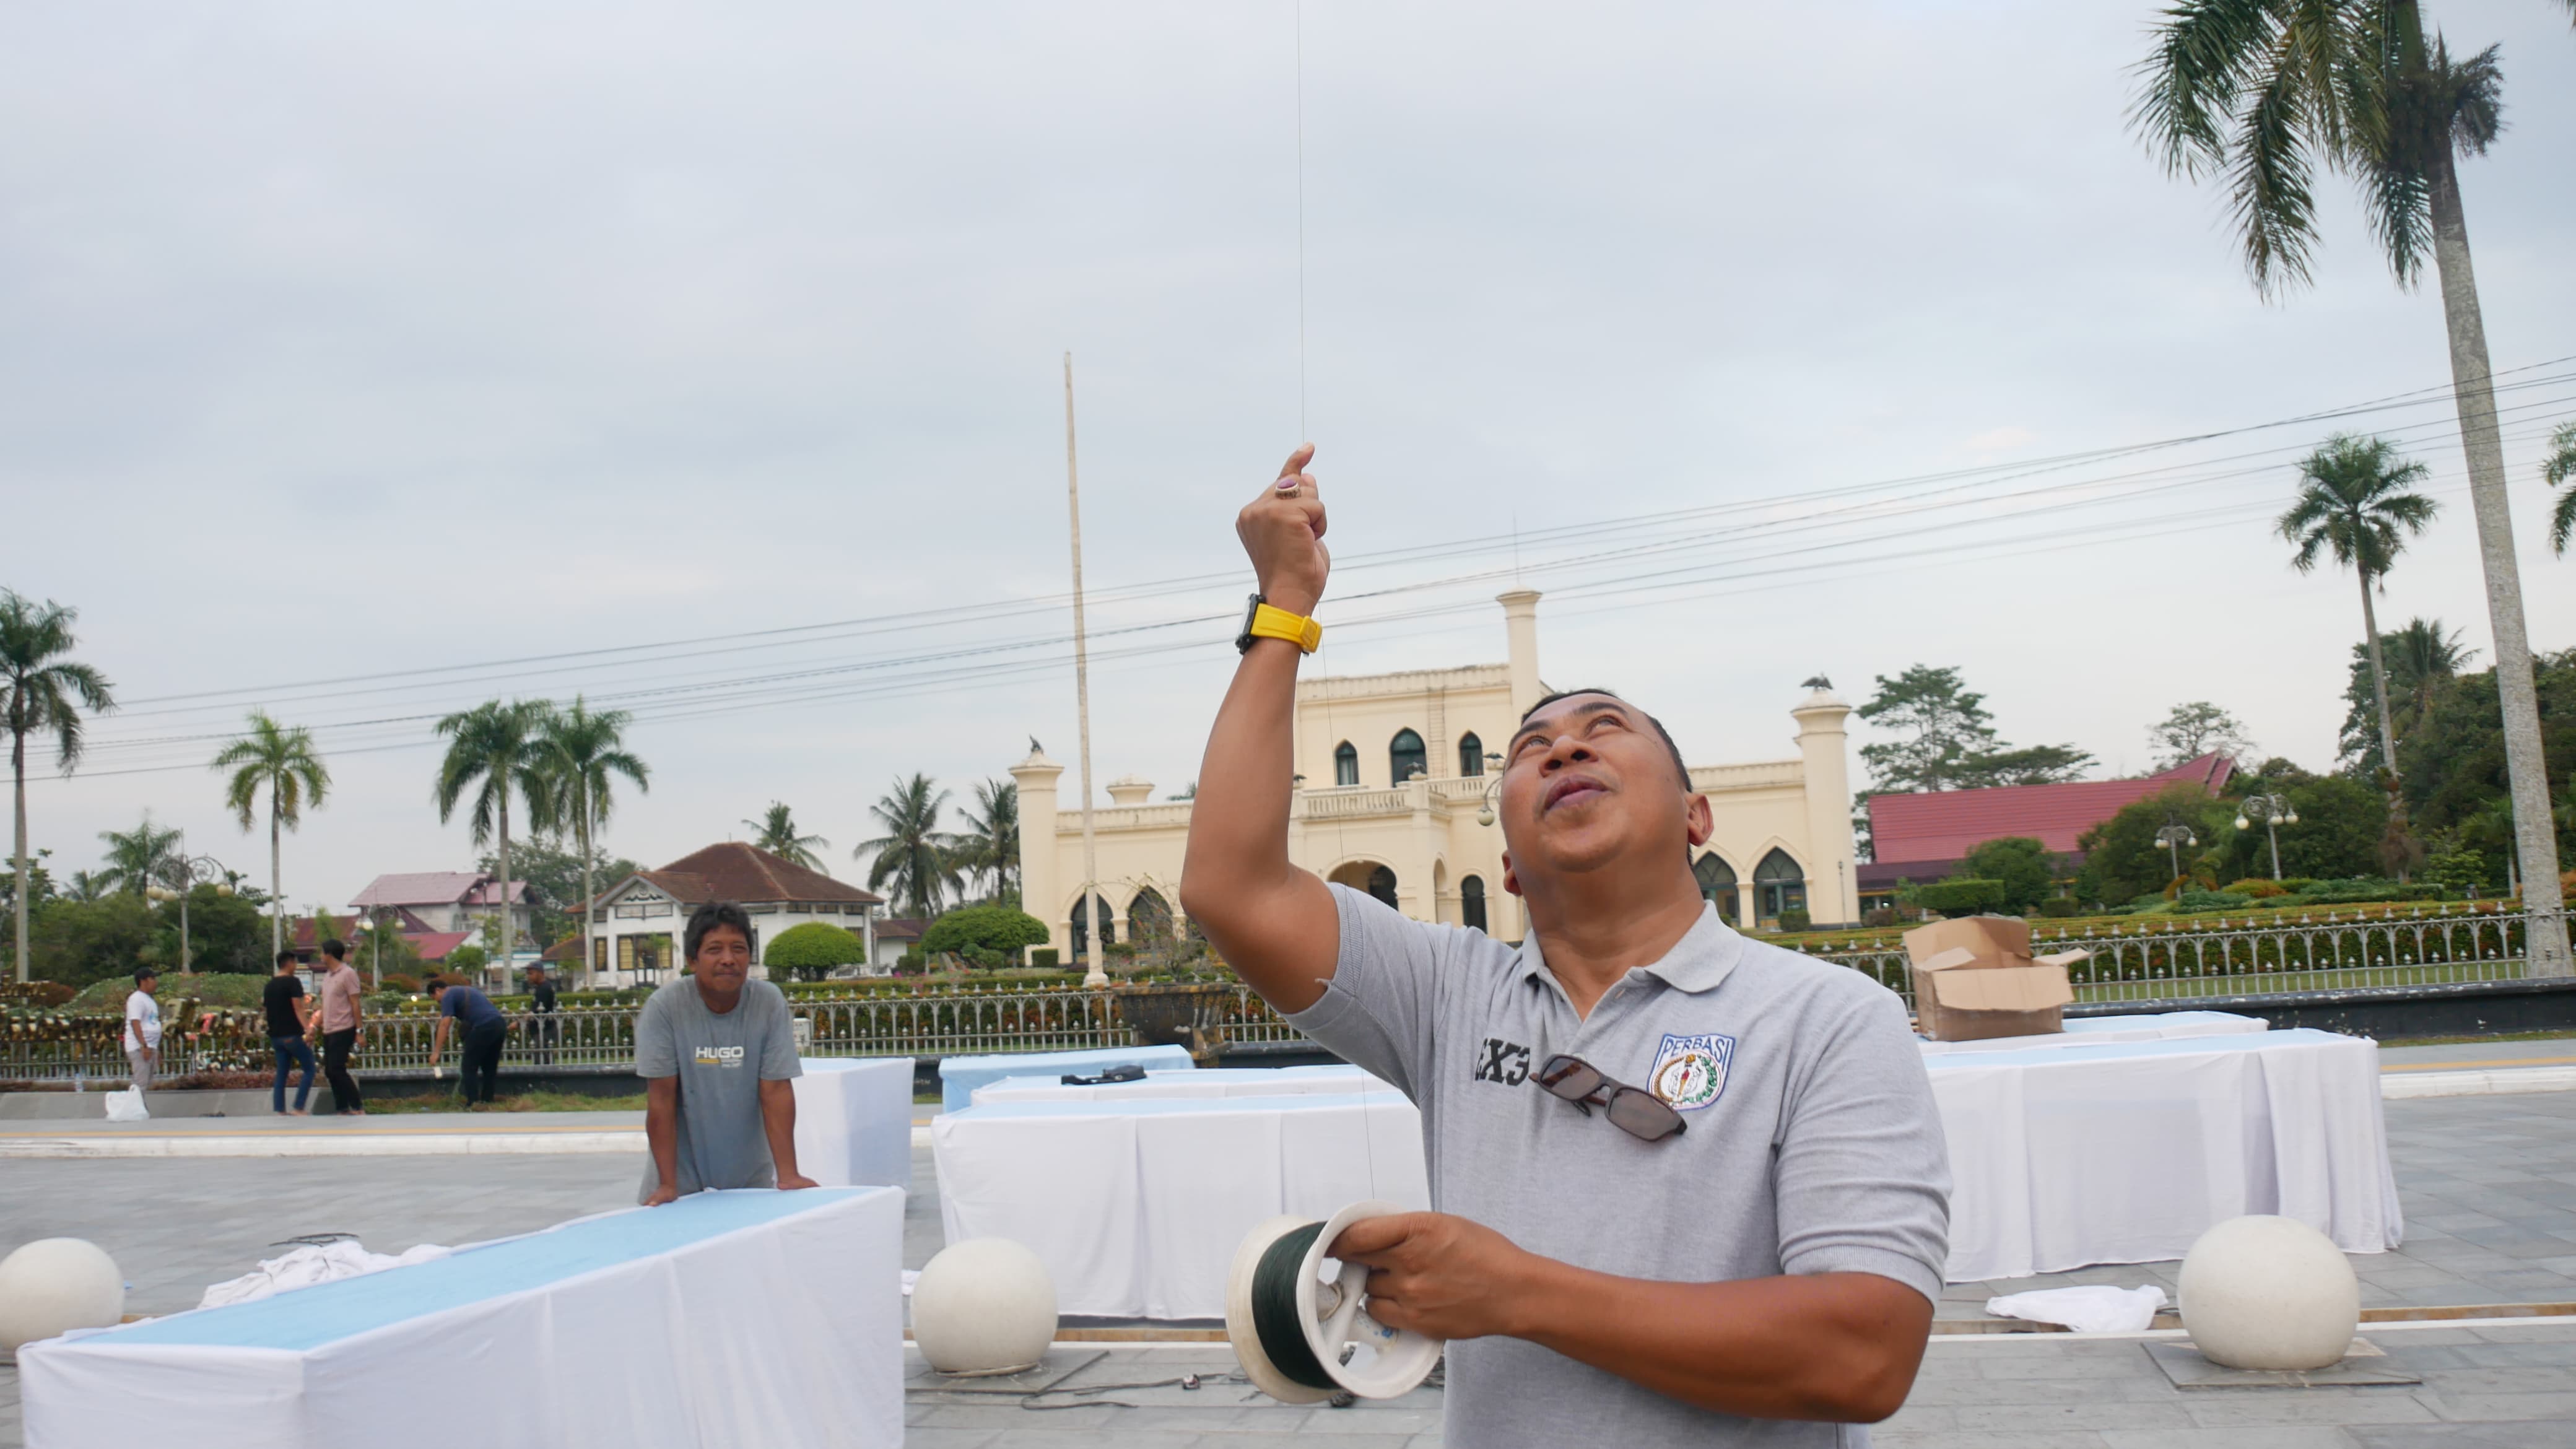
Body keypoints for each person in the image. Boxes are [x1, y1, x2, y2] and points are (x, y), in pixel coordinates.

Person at [1178, 446, 1951, 1447]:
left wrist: (1515, 1293)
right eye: (1530, 750)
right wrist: (1284, 605)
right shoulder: (1449, 995)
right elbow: (1229, 888)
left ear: (1698, 817)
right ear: (1505, 861)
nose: (1565, 749)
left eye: (1603, 730)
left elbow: (1865, 1353)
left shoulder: (1827, 1019)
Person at [633, 901, 817, 1205]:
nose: (728, 960)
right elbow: (662, 1100)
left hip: (749, 1179)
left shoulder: (768, 1002)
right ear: (693, 960)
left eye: (739, 949)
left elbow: (775, 1091)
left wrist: (789, 1175)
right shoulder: (664, 1007)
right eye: (715, 949)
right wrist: (668, 1185)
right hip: (680, 1183)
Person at [427, 975, 509, 1107]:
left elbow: (444, 1024)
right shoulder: (467, 990)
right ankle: (487, 1101)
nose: (438, 1003)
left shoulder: (448, 995)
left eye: (435, 999)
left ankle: (473, 1103)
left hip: (483, 1027)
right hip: (499, 1025)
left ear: (437, 991)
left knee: (468, 1067)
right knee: (489, 1067)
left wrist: (436, 1052)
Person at [311, 939, 366, 1115]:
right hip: (329, 1028)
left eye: (322, 952)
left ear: (329, 954)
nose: (320, 956)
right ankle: (342, 1107)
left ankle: (357, 1106)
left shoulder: (348, 974)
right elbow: (325, 1005)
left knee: (336, 1069)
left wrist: (359, 1031)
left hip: (344, 1027)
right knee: (330, 1070)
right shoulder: (328, 977)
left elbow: (355, 1003)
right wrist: (314, 1026)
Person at [263, 950, 318, 1115]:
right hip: (292, 1034)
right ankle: (298, 1107)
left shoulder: (270, 985)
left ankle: (279, 1109)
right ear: (289, 963)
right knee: (310, 1069)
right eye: (295, 963)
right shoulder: (292, 983)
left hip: (276, 1036)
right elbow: (298, 1008)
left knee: (282, 1073)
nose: (296, 967)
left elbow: (268, 1010)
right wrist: (309, 1029)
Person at [122, 968, 161, 1095]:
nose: (155, 982)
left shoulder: (149, 1000)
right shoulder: (136, 999)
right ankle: (133, 1111)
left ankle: (137, 1108)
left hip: (150, 1046)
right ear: (143, 981)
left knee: (146, 1082)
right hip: (139, 1047)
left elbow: (151, 1023)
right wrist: (143, 1045)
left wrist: (155, 1048)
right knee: (140, 1083)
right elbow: (135, 1023)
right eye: (152, 979)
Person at [525, 962, 559, 1066]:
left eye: (531, 973)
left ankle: (546, 1082)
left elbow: (535, 1011)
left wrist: (519, 1022)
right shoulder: (541, 988)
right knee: (541, 1059)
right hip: (541, 1030)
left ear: (540, 973)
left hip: (545, 1030)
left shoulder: (545, 988)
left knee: (543, 1061)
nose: (529, 976)